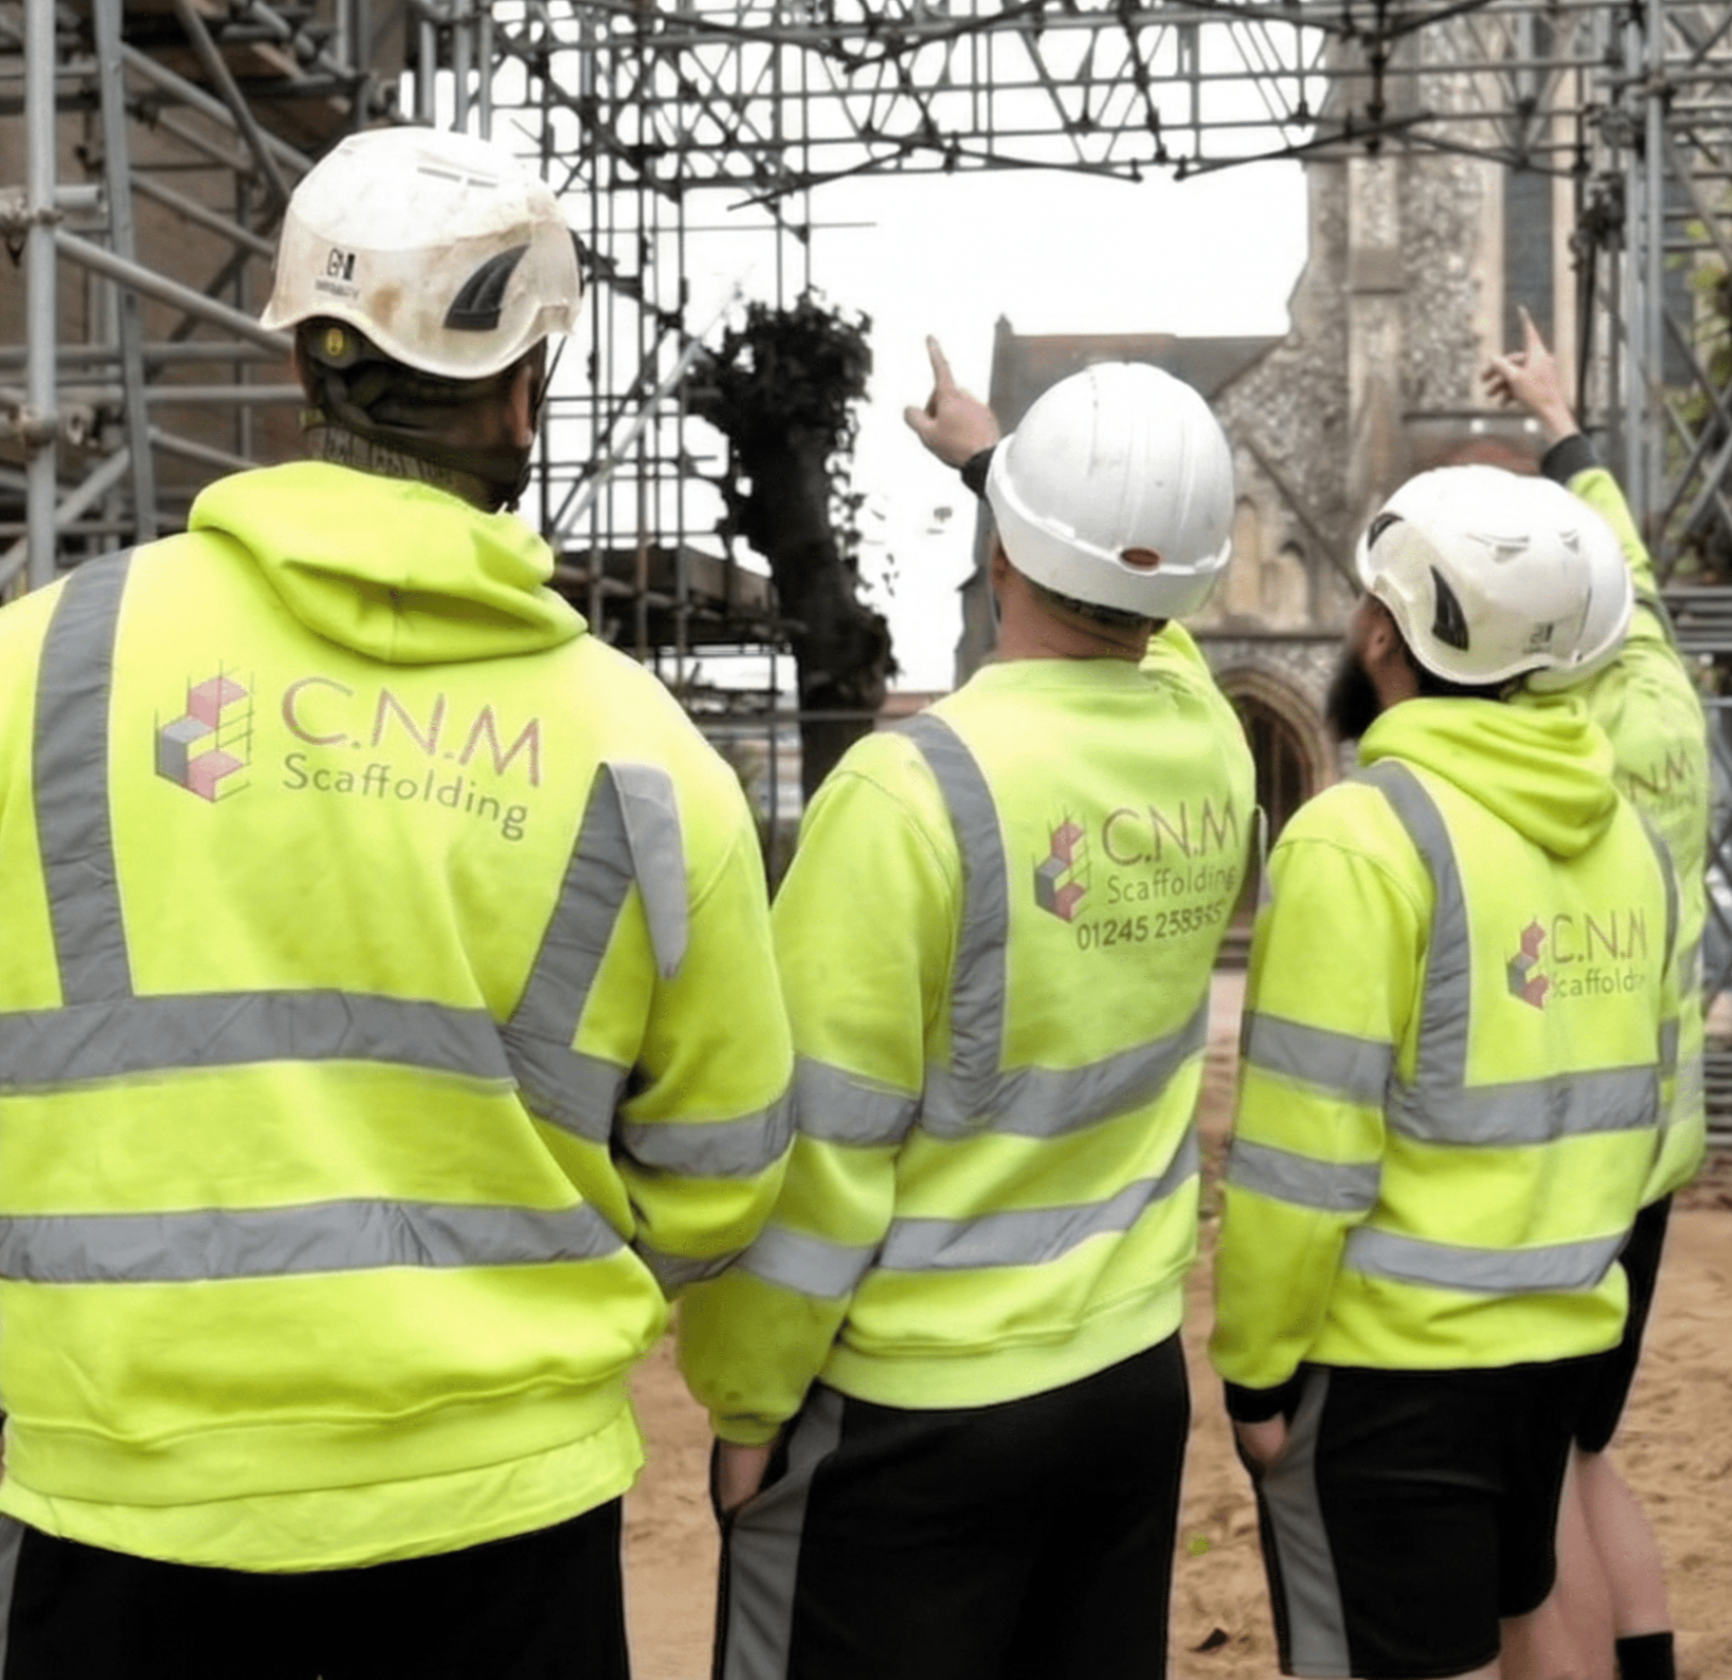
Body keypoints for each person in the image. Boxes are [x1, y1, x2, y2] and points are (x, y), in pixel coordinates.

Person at [0, 125, 793, 1678]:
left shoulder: (39, 668)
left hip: (121, 1508)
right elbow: (726, 1171)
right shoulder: (643, 755)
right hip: (500, 1522)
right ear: (523, 391)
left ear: (305, 352)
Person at [679, 342, 1257, 1679]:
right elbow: (1157, 623)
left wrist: (750, 1398)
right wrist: (1008, 471)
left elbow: (821, 1153)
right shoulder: (1209, 743)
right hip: (1124, 1379)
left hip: (916, 1415)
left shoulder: (908, 796)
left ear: (998, 548)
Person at [1209, 460, 1682, 1680]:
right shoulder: (1622, 833)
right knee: (1529, 1607)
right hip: (1561, 1329)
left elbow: (1300, 1154)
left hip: (1392, 1364)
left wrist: (1257, 1373)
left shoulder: (1361, 836)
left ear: (1379, 629)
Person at [1483, 309, 1709, 1680]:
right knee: (1588, 1455)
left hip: (1558, 1171)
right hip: (1652, 1153)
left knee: (1527, 1513)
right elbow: (1627, 580)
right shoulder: (1663, 701)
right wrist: (1566, 429)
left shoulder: (1543, 755)